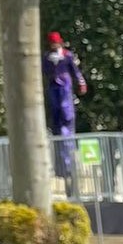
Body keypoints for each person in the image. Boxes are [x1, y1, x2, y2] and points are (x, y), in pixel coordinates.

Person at [43, 31, 86, 187]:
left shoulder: (67, 56)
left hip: (65, 86)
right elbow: (45, 70)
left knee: (65, 110)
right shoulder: (47, 57)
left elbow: (75, 71)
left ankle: (68, 164)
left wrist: (81, 83)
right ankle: (61, 166)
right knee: (56, 116)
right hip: (54, 86)